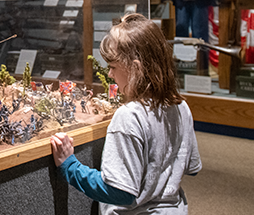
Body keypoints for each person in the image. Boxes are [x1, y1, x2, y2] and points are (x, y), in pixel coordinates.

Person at [51, 13, 202, 214]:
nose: (110, 74)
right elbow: (192, 167)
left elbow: (120, 192)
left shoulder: (128, 117)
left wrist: (70, 166)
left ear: (135, 68)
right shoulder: (181, 106)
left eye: (113, 67)